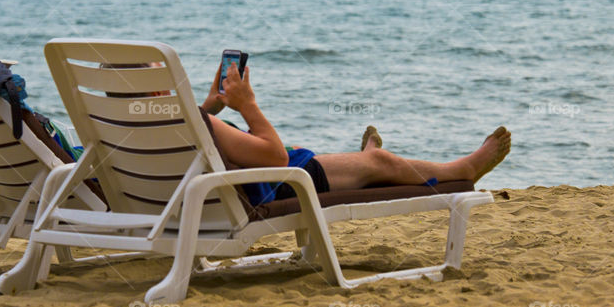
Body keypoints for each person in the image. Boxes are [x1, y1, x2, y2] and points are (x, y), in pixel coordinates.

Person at [198, 62, 511, 203]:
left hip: (228, 189)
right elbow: (277, 159)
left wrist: (207, 109)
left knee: (303, 150)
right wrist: (247, 105)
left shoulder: (159, 126)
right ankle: (462, 169)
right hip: (275, 186)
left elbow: (190, 144)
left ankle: (366, 161)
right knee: (381, 165)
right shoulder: (189, 119)